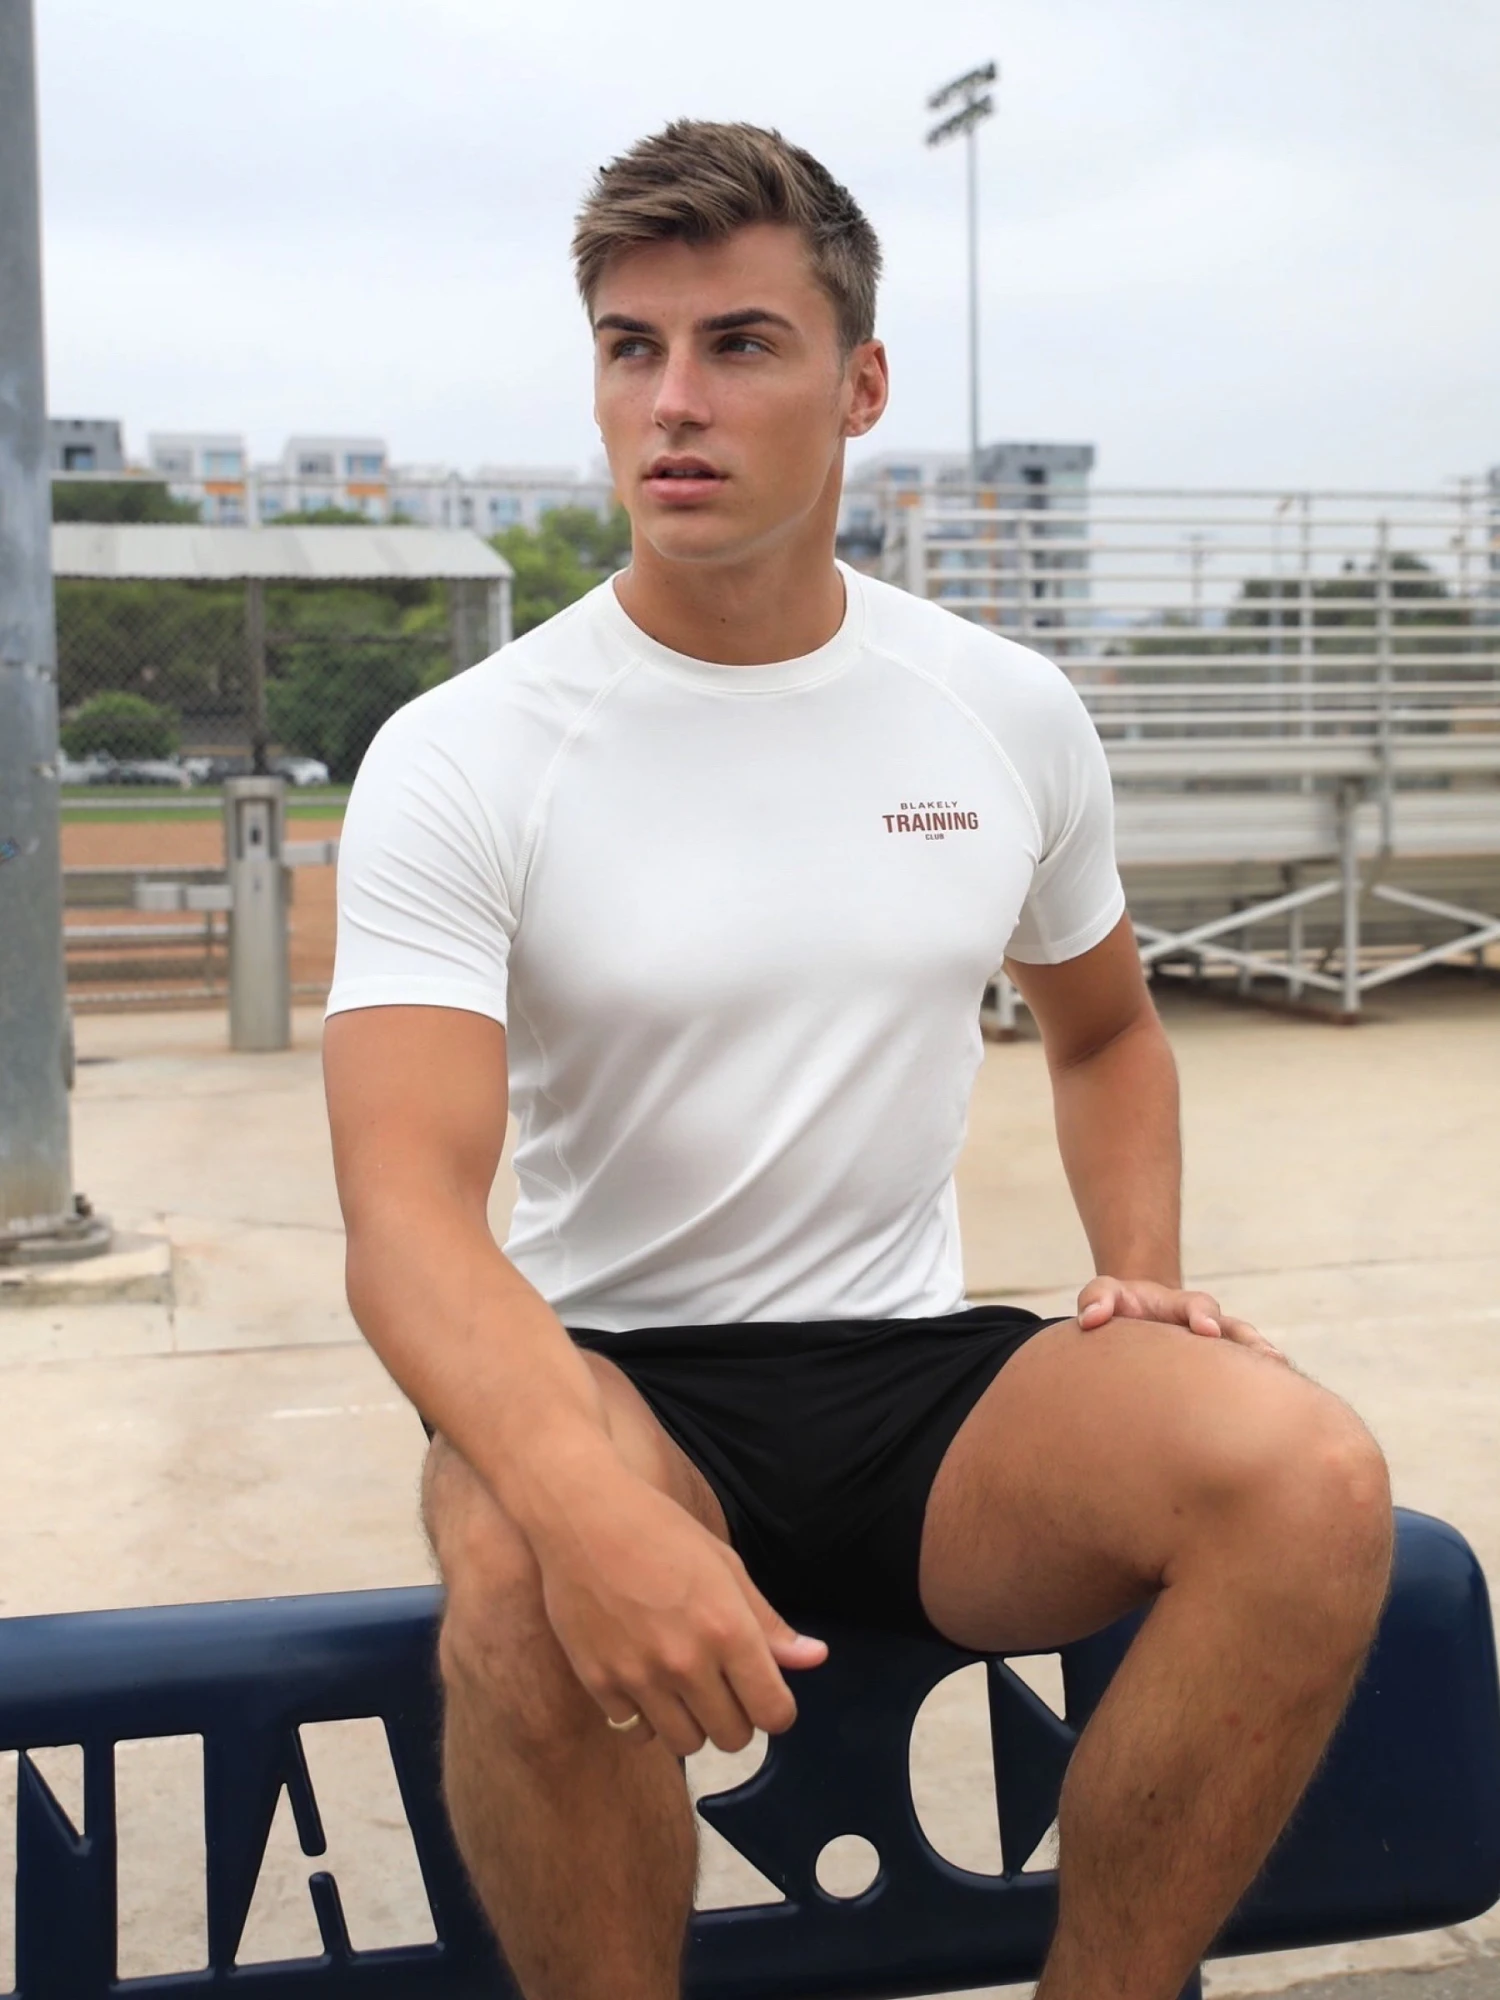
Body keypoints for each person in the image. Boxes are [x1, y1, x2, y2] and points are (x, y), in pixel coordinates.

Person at [322, 120, 1392, 2000]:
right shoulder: (471, 748)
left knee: (1306, 1477)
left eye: (738, 343)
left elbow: (1108, 1030)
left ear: (861, 385)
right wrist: (588, 1510)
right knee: (517, 1567)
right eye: (630, 348)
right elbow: (406, 1216)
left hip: (913, 1383)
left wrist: (1138, 1270)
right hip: (608, 1369)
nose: (673, 400)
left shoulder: (999, 712)